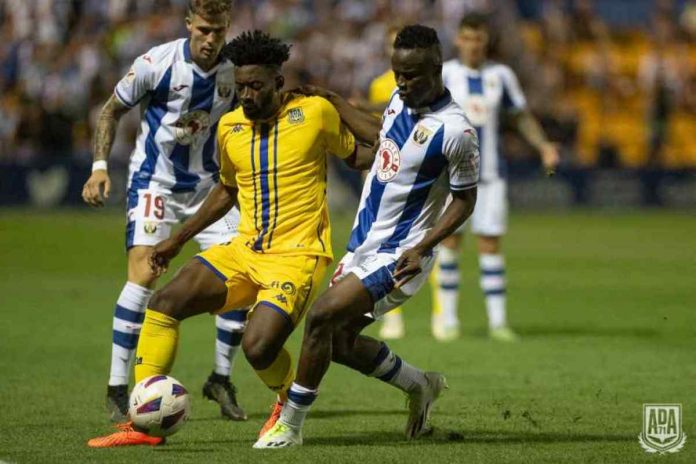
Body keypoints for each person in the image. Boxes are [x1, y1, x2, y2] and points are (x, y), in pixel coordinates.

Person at [87, 29, 373, 448]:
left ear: (279, 82)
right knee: (164, 304)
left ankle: (288, 403)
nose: (246, 95)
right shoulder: (230, 127)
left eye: (256, 86)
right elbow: (226, 190)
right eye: (240, 87)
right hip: (244, 250)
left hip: (298, 257)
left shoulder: (313, 113)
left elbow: (358, 155)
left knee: (258, 348)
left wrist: (397, 155)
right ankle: (144, 420)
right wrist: (178, 239)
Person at [255, 24, 480, 449]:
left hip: (400, 255)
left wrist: (423, 247)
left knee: (320, 316)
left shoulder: (456, 132)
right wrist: (334, 101)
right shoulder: (400, 99)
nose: (402, 82)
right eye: (397, 73)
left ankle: (291, 425)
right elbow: (380, 135)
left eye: (412, 75)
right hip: (362, 246)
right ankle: (420, 385)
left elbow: (464, 201)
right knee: (338, 342)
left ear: (437, 68)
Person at [81, 0, 248, 424]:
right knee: (144, 273)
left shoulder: (234, 71)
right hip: (155, 184)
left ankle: (221, 379)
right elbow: (111, 110)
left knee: (241, 276)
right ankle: (119, 387)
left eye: (219, 31)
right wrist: (100, 168)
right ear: (189, 23)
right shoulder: (156, 63)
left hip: (208, 189)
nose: (211, 40)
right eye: (204, 30)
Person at [380, 12, 560, 342]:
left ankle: (498, 322)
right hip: (450, 177)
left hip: (490, 176)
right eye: (467, 37)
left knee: (490, 244)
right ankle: (447, 321)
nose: (473, 45)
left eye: (479, 39)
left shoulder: (501, 75)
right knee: (449, 243)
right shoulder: (445, 73)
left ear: (486, 41)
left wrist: (543, 144)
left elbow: (519, 116)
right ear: (459, 39)